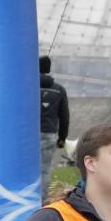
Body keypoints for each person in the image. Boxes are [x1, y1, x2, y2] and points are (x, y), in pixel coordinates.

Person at [39, 55, 71, 204]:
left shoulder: (27, 87)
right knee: (45, 169)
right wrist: (62, 139)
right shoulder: (59, 90)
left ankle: (25, 199)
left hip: (28, 135)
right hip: (49, 134)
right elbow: (64, 117)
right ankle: (42, 201)